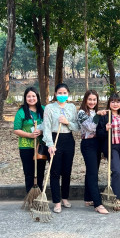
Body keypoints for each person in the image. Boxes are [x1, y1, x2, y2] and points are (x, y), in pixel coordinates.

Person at [43, 83, 79, 213]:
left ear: (68, 94)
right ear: (55, 94)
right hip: (54, 139)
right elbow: (46, 127)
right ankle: (57, 202)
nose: (62, 95)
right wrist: (50, 144)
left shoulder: (72, 107)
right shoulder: (49, 108)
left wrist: (67, 122)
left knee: (67, 171)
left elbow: (77, 127)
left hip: (68, 140)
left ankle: (65, 197)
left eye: (64, 93)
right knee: (55, 172)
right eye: (60, 93)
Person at [96, 93, 120, 203]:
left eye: (117, 102)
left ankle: (113, 193)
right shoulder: (104, 116)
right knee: (116, 171)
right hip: (111, 147)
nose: (115, 104)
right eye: (113, 101)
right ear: (109, 103)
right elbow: (98, 133)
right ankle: (115, 198)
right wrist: (106, 130)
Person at [78, 90, 109, 214]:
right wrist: (97, 116)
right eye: (90, 99)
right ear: (85, 100)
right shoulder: (81, 113)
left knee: (93, 171)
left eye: (94, 100)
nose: (92, 102)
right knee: (92, 174)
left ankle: (88, 198)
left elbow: (100, 129)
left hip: (97, 144)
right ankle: (98, 204)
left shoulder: (95, 112)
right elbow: (91, 127)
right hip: (88, 144)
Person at [14, 87, 46, 193]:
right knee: (29, 173)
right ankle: (30, 197)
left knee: (40, 172)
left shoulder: (43, 109)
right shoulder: (21, 112)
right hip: (26, 147)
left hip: (40, 146)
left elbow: (49, 125)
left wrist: (41, 132)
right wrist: (29, 135)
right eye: (29, 96)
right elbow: (16, 130)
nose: (31, 98)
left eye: (33, 96)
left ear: (37, 97)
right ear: (25, 98)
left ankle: (39, 196)